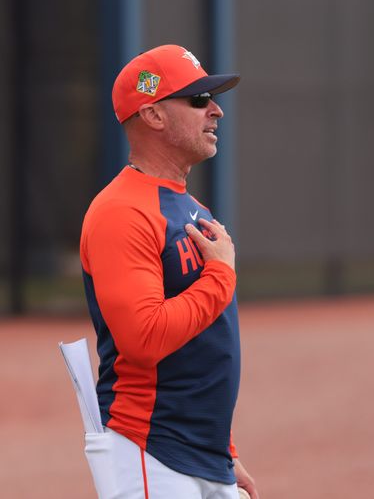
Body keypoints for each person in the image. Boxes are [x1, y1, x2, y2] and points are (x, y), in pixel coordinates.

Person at [80, 44, 259, 498]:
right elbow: (144, 339)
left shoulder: (191, 208)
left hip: (204, 454)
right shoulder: (121, 212)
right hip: (150, 453)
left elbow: (205, 346)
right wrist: (220, 278)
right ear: (154, 116)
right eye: (198, 100)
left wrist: (225, 450)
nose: (215, 110)